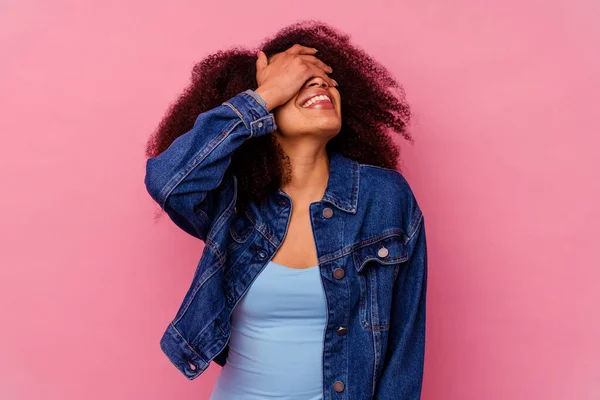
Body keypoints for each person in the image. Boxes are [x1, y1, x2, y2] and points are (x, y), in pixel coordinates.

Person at [144, 20, 428, 400]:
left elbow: (404, 349)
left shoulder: (384, 198)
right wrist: (262, 97)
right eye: (296, 79)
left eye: (325, 78)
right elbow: (167, 181)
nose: (319, 84)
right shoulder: (235, 200)